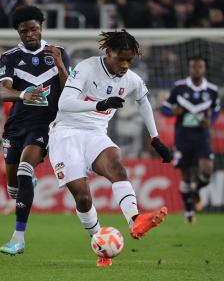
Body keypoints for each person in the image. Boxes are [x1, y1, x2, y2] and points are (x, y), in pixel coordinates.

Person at [48, 29, 173, 267]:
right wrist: (101, 103)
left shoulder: (131, 80)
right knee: (83, 198)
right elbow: (64, 103)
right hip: (66, 133)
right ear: (109, 52)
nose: (125, 65)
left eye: (130, 60)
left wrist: (155, 139)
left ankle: (135, 221)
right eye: (121, 59)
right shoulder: (86, 68)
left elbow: (143, 101)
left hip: (96, 134)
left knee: (116, 164)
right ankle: (100, 243)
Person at [0, 5, 70, 255]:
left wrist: (60, 64)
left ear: (41, 28)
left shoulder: (58, 53)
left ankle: (18, 238)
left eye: (34, 29)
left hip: (45, 123)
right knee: (14, 188)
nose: (30, 34)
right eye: (24, 30)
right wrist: (24, 93)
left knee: (26, 169)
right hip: (17, 125)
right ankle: (25, 182)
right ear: (18, 32)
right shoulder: (10, 57)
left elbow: (69, 89)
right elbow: (4, 91)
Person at [160, 56, 220, 224]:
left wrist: (211, 121)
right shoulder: (179, 88)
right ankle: (188, 212)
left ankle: (195, 191)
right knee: (186, 176)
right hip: (183, 137)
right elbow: (164, 108)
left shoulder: (212, 90)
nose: (197, 70)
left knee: (207, 170)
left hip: (202, 137)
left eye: (200, 67)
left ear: (204, 69)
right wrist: (173, 112)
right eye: (194, 67)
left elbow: (216, 109)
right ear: (189, 69)